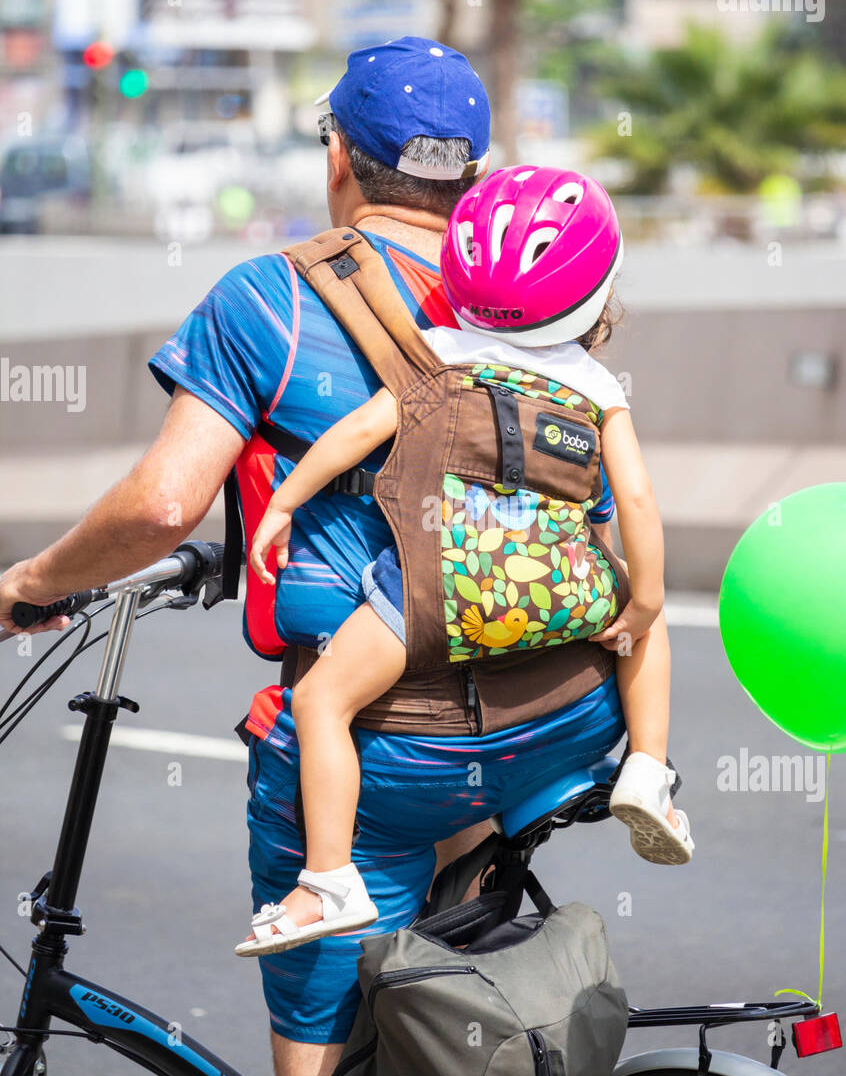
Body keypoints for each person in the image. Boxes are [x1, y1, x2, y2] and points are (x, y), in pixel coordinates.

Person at [0, 37, 674, 1076]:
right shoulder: (538, 303)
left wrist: (28, 584)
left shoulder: (272, 297)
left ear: (339, 159)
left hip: (389, 745)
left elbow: (166, 503)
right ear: (472, 176)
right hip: (556, 719)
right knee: (437, 1025)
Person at [238, 165, 691, 957]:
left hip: (438, 591)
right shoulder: (594, 386)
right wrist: (642, 604)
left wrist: (281, 503)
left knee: (321, 705)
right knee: (645, 635)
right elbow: (640, 502)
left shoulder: (439, 355)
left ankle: (329, 880)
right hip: (561, 589)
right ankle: (648, 770)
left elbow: (350, 436)